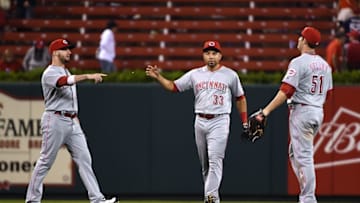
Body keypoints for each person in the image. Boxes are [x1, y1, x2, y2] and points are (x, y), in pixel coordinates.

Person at [145, 40, 249, 203]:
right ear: (203, 55)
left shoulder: (230, 75)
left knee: (215, 161)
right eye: (207, 53)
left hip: (220, 121)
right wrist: (158, 76)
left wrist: (244, 121)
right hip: (200, 121)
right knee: (206, 166)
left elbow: (240, 98)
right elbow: (174, 87)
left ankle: (210, 199)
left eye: (214, 53)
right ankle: (213, 199)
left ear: (220, 56)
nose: (211, 56)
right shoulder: (195, 74)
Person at [25, 38, 117, 203]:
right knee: (46, 161)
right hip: (54, 119)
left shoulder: (67, 71)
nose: (69, 52)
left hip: (72, 120)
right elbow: (62, 83)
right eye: (65, 49)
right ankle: (32, 200)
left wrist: (76, 120)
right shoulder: (50, 72)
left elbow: (70, 93)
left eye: (69, 49)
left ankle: (97, 199)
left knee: (84, 159)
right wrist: (88, 75)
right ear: (55, 52)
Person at [255, 27, 333, 203]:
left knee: (304, 157)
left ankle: (308, 199)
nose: (298, 40)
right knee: (294, 152)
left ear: (304, 41)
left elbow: (286, 90)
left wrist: (265, 111)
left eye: (300, 38)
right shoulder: (325, 65)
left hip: (303, 111)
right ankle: (306, 195)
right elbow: (327, 94)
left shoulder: (299, 62)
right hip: (317, 111)